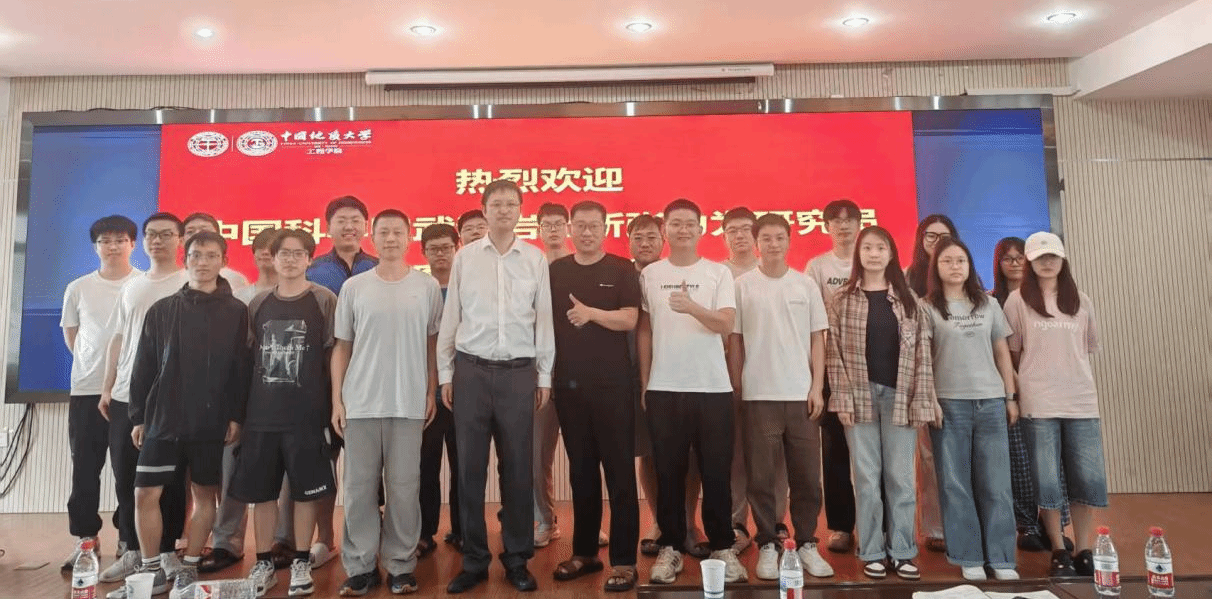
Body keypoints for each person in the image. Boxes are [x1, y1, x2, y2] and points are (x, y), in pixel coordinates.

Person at [438, 179, 554, 594]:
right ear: (484, 210)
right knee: (469, 471)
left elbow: (544, 320)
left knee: (518, 470)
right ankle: (473, 561)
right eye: (496, 204)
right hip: (470, 372)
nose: (504, 210)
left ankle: (517, 558)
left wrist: (544, 376)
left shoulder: (534, 259)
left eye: (511, 204)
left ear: (520, 210)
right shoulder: (466, 258)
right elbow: (452, 317)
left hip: (519, 374)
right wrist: (446, 374)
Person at [128, 231, 251, 599]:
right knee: (144, 493)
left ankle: (190, 565)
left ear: (223, 261)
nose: (203, 262)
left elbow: (240, 368)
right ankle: (151, 568)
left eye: (211, 255)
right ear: (186, 259)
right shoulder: (162, 309)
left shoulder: (236, 311)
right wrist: (139, 416)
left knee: (204, 495)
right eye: (196, 255)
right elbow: (144, 365)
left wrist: (236, 415)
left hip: (210, 421)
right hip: (163, 418)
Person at [329, 210, 442, 596]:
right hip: (360, 402)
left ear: (409, 237)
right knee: (358, 489)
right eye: (384, 232)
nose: (391, 238)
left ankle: (400, 565)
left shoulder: (426, 286)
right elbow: (342, 347)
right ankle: (360, 566)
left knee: (404, 488)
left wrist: (430, 390)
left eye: (398, 232)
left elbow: (432, 344)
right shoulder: (355, 287)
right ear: (372, 237)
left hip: (408, 402)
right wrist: (337, 400)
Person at [640, 198, 746, 585]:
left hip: (712, 388)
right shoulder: (650, 274)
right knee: (668, 472)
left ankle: (722, 546)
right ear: (665, 229)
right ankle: (670, 546)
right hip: (664, 388)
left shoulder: (718, 273)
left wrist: (692, 307)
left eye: (690, 223)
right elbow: (645, 331)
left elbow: (726, 325)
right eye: (676, 223)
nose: (683, 229)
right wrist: (645, 382)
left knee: (716, 472)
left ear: (701, 230)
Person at [229, 229, 340, 598]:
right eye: (284, 254)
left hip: (307, 416)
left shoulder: (324, 299)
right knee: (262, 494)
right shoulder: (258, 303)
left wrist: (331, 407)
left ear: (309, 259)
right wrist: (240, 414)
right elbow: (247, 359)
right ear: (272, 259)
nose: (290, 260)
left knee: (306, 493)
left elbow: (332, 357)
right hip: (262, 416)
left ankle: (301, 561)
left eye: (298, 253)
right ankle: (263, 563)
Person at [826, 225, 937, 581]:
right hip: (859, 398)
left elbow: (922, 356)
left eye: (881, 248)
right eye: (868, 248)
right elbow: (833, 354)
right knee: (866, 479)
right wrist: (842, 397)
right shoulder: (842, 300)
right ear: (858, 254)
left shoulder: (909, 301)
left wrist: (921, 401)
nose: (874, 254)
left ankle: (902, 551)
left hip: (899, 398)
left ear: (891, 254)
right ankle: (872, 551)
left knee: (901, 479)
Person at [728, 214, 834, 581]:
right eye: (766, 238)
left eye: (779, 238)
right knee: (760, 477)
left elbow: (817, 338)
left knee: (807, 477)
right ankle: (767, 543)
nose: (773, 244)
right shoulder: (742, 286)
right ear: (757, 243)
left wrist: (816, 387)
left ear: (789, 241)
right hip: (758, 395)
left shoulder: (805, 285)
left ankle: (806, 542)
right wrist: (738, 387)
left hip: (800, 395)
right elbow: (736, 341)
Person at [548, 200, 642, 592]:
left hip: (615, 387)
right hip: (569, 388)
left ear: (606, 229)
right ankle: (585, 553)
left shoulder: (621, 269)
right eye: (581, 226)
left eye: (594, 226)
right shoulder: (556, 271)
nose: (587, 232)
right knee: (582, 473)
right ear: (571, 229)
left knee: (620, 475)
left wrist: (591, 313)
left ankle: (624, 561)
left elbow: (630, 318)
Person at [97, 213, 190, 595]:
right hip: (126, 396)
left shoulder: (189, 282)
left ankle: (167, 552)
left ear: (180, 240)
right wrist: (107, 387)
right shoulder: (132, 286)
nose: (158, 240)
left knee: (171, 480)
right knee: (126, 476)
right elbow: (120, 338)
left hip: (173, 398)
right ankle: (133, 550)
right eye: (152, 234)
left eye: (166, 234)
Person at [1003, 232, 1106, 578]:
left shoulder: (1082, 300)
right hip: (1039, 403)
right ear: (1030, 262)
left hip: (1081, 402)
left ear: (1063, 260)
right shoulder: (1017, 301)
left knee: (1086, 479)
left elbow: (1087, 348)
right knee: (1046, 480)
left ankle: (1085, 548)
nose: (1047, 262)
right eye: (1040, 257)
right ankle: (1059, 549)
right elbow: (1013, 354)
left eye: (1053, 257)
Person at [924, 237, 1019, 581]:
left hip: (991, 402)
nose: (955, 266)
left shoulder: (988, 304)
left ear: (970, 266)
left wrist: (1010, 396)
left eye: (961, 260)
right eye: (947, 261)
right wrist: (930, 400)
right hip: (949, 404)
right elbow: (923, 360)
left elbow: (1002, 352)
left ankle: (1002, 558)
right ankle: (969, 556)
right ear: (936, 267)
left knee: (997, 484)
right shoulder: (926, 307)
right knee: (955, 485)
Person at [202, 227, 296, 576]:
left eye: (277, 249)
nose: (269, 255)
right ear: (255, 255)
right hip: (241, 399)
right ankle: (226, 541)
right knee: (232, 473)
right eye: (263, 249)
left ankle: (283, 540)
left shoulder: (298, 297)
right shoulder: (238, 298)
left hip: (282, 401)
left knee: (286, 475)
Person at [60, 215, 141, 569]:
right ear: (95, 247)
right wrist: (93, 367)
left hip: (129, 392)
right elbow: (72, 335)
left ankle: (128, 537)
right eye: (105, 241)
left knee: (129, 470)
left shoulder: (142, 284)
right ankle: (86, 539)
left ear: (133, 244)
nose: (113, 246)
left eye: (120, 239)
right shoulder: (78, 288)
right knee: (85, 467)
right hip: (86, 390)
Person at [627, 215, 707, 559]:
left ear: (663, 239)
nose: (645, 243)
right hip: (636, 377)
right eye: (638, 237)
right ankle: (660, 522)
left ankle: (688, 522)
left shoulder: (675, 273)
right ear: (628, 240)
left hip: (683, 372)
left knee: (689, 453)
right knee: (648, 452)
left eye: (651, 237)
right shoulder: (623, 275)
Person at [992, 237, 1074, 553]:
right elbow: (1001, 352)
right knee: (1020, 462)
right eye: (1007, 258)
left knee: (1053, 461)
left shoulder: (1053, 298)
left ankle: (1056, 527)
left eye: (1020, 257)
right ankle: (1027, 524)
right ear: (998, 264)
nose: (1014, 263)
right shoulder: (992, 301)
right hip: (1011, 392)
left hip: (1050, 393)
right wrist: (1014, 388)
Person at [720, 206, 787, 553]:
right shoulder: (717, 274)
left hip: (774, 378)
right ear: (723, 236)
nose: (740, 235)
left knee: (775, 454)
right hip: (727, 377)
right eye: (732, 230)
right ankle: (736, 522)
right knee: (735, 454)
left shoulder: (776, 274)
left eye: (746, 229)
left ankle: (775, 520)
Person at [804, 199, 861, 554]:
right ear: (826, 227)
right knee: (835, 451)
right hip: (831, 368)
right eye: (836, 221)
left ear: (860, 223)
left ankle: (878, 525)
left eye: (850, 219)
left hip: (869, 368)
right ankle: (841, 526)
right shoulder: (817, 266)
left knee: (871, 453)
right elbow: (813, 319)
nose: (843, 226)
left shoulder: (871, 257)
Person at [903, 214, 958, 553]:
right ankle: (935, 526)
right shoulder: (908, 278)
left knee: (961, 457)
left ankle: (965, 523)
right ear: (921, 240)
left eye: (944, 236)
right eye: (931, 236)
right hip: (921, 377)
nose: (937, 242)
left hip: (960, 376)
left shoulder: (964, 274)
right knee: (928, 457)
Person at [418, 223, 463, 555]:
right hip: (427, 393)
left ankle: (462, 530)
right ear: (423, 253)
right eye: (433, 249)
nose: (441, 254)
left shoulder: (467, 286)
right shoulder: (418, 288)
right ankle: (424, 533)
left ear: (456, 248)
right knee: (425, 466)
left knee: (464, 466)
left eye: (446, 247)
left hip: (465, 392)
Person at [533, 202, 571, 548]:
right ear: (539, 229)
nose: (554, 229)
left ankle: (587, 522)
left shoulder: (580, 267)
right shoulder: (531, 268)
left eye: (560, 223)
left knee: (584, 455)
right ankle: (546, 520)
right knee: (537, 456)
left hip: (577, 375)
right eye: (548, 224)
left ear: (568, 228)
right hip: (539, 376)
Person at [306, 196, 378, 295]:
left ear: (366, 227)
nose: (348, 227)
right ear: (328, 228)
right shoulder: (311, 270)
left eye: (355, 221)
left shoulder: (378, 267)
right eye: (341, 221)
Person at [181, 213, 251, 291]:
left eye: (204, 231)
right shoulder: (173, 279)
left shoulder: (235, 279)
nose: (197, 235)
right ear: (181, 240)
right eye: (190, 232)